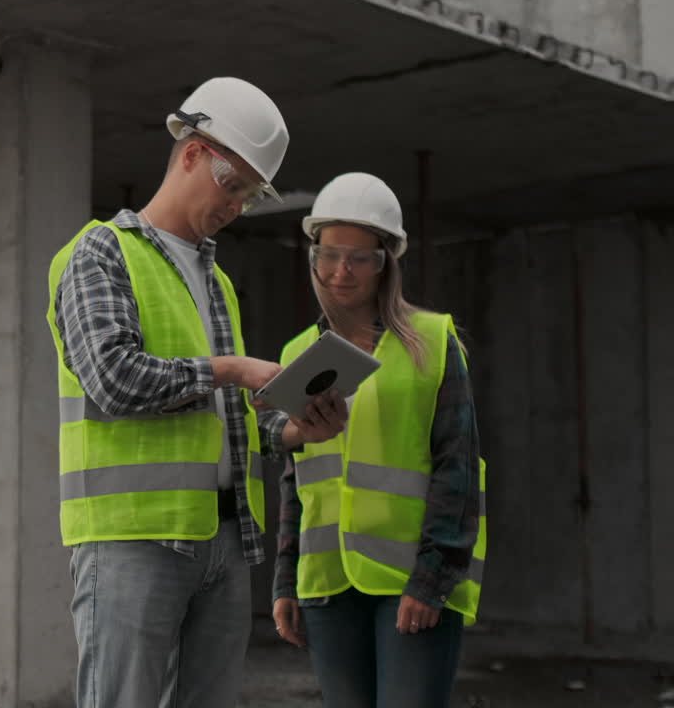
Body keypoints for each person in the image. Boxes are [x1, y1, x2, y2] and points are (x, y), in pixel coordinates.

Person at [46, 76, 349, 708]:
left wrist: (296, 429)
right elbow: (113, 378)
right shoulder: (99, 253)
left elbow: (233, 417)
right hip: (132, 538)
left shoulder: (218, 285)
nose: (238, 206)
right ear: (191, 154)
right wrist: (231, 369)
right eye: (232, 185)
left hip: (225, 538)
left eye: (250, 194)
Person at [271, 172, 487, 708]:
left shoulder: (432, 343)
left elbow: (456, 469)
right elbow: (295, 478)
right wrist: (285, 581)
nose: (340, 271)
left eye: (360, 257)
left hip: (409, 579)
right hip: (326, 582)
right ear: (313, 255)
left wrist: (432, 581)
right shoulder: (297, 352)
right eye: (329, 254)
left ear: (386, 261)